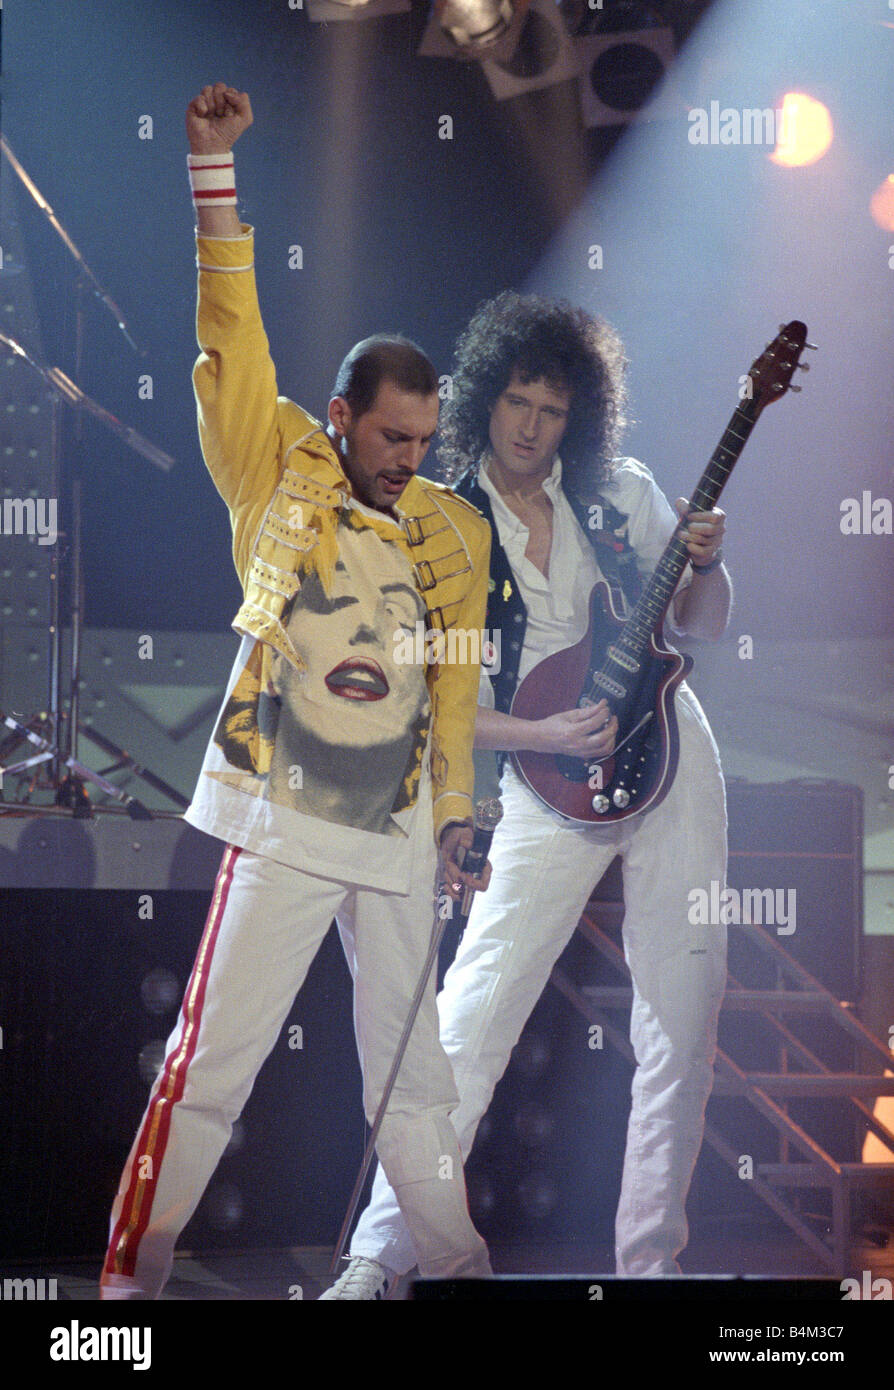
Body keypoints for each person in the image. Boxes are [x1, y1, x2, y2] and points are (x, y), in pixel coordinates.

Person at [100, 83, 494, 1300]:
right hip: (282, 815)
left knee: (415, 1080)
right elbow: (235, 338)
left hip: (395, 840)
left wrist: (456, 815)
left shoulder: (456, 531)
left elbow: (459, 688)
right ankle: (128, 1289)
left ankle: (461, 1269)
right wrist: (212, 178)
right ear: (341, 419)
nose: (410, 460)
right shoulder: (277, 465)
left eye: (425, 441)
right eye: (391, 439)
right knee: (212, 1065)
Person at [326, 291, 730, 1298]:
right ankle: (380, 1253)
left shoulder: (621, 493)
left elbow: (704, 625)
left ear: (576, 416)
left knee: (685, 1010)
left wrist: (709, 564)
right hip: (542, 780)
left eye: (551, 410)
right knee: (472, 1014)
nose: (530, 425)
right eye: (514, 401)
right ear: (483, 400)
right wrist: (538, 732)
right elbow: (425, 694)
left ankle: (652, 1264)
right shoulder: (443, 520)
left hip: (671, 757)